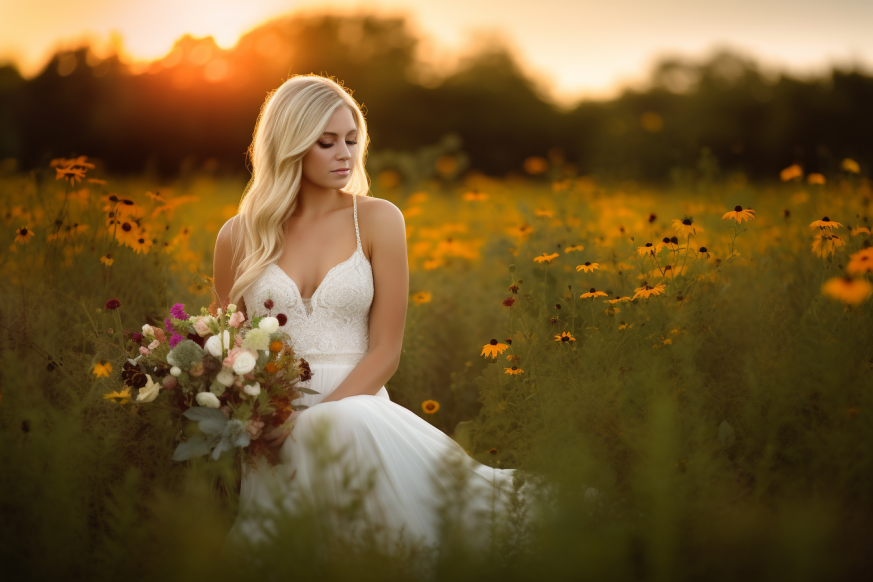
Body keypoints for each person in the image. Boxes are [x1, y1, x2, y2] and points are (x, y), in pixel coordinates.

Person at [213, 75, 536, 554]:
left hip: (356, 406)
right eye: (327, 143)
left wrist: (310, 423)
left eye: (351, 139)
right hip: (269, 422)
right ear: (290, 145)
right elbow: (225, 347)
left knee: (377, 546)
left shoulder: (379, 220)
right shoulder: (239, 235)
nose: (345, 153)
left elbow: (386, 349)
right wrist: (257, 420)